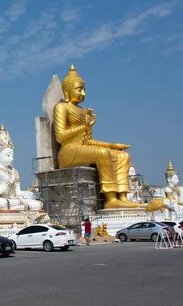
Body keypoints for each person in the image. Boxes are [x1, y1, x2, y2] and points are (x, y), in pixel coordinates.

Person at [53, 65, 139, 208]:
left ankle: (122, 197)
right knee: (101, 153)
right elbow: (60, 137)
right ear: (67, 91)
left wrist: (112, 145)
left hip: (82, 148)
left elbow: (88, 141)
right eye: (79, 90)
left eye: (84, 90)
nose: (83, 94)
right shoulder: (61, 107)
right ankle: (110, 199)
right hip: (68, 151)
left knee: (123, 156)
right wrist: (84, 126)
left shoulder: (83, 111)